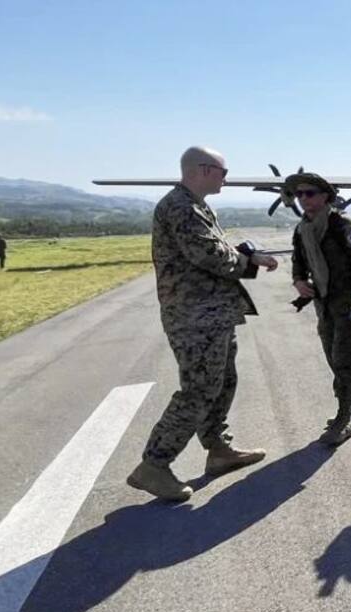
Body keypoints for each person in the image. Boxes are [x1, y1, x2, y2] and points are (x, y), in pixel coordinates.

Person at [126, 146, 279, 502]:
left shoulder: (194, 205)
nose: (227, 178)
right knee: (198, 388)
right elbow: (209, 254)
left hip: (212, 313)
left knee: (223, 381)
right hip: (195, 317)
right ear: (203, 170)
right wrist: (250, 259)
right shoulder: (180, 207)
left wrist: (241, 257)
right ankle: (154, 464)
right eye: (224, 172)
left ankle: (218, 449)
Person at [288, 172, 351, 446]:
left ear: (325, 196)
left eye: (309, 193)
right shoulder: (303, 229)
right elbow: (298, 260)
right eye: (299, 194)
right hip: (323, 303)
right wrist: (299, 281)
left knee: (345, 361)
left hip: (348, 301)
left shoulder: (343, 225)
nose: (303, 199)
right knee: (334, 359)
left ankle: (343, 419)